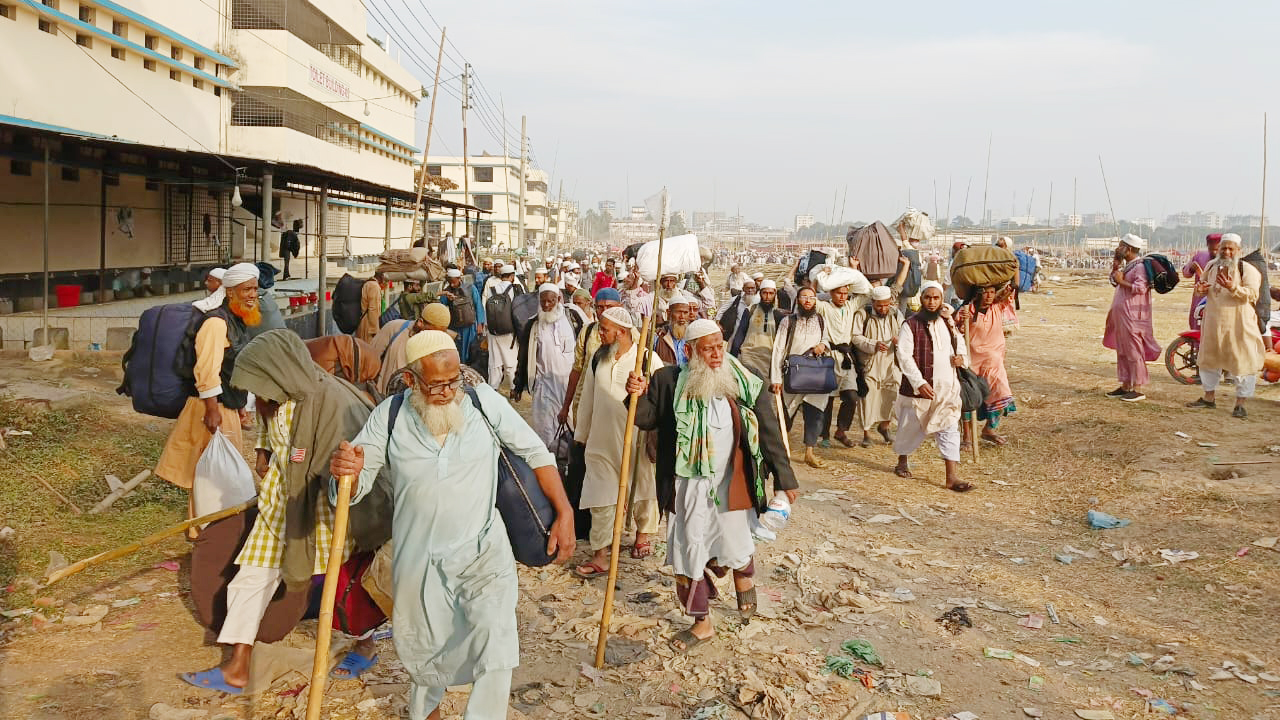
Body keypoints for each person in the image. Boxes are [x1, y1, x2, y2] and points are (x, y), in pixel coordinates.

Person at [330, 331, 574, 720]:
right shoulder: (389, 416)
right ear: (410, 380)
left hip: (483, 553)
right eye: (435, 384)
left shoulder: (482, 403)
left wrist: (564, 512)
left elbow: (535, 452)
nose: (447, 392)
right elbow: (355, 480)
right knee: (426, 652)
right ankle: (427, 713)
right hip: (419, 561)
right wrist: (349, 472)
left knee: (497, 641)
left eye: (452, 381)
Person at [181, 330, 391, 694]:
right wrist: (265, 457)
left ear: (280, 373)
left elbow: (361, 461)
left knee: (347, 582)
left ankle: (364, 644)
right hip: (281, 504)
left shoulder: (332, 402)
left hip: (327, 505)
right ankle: (237, 666)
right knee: (251, 576)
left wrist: (343, 479)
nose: (256, 395)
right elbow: (270, 438)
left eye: (260, 385)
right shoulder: (273, 398)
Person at [626, 318, 797, 653]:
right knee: (689, 550)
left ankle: (744, 585)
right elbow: (645, 418)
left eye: (720, 346)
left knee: (735, 538)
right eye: (708, 349)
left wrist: (784, 476)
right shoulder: (668, 380)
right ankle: (702, 623)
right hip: (687, 487)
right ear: (689, 352)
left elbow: (768, 428)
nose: (717, 354)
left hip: (732, 482)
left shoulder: (744, 379)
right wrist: (634, 393)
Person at [155, 263, 258, 510]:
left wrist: (241, 404)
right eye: (247, 290)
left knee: (216, 475)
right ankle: (204, 532)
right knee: (213, 475)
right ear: (230, 292)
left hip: (227, 406)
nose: (253, 295)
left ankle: (204, 530)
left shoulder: (236, 320)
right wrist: (213, 411)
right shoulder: (216, 323)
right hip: (211, 408)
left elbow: (232, 368)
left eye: (255, 289)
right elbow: (207, 370)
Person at [573, 308, 663, 576]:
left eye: (604, 329)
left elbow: (663, 394)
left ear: (621, 333)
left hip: (636, 437)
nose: (600, 333)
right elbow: (588, 397)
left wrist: (646, 386)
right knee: (600, 495)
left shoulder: (646, 359)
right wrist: (582, 434)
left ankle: (643, 534)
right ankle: (600, 554)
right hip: (601, 440)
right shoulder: (598, 359)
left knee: (642, 486)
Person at [892, 282, 971, 491]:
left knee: (949, 428)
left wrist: (961, 359)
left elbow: (960, 344)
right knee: (910, 426)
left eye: (936, 298)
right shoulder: (910, 325)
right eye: (928, 297)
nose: (932, 302)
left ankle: (951, 476)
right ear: (921, 299)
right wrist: (919, 383)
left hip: (948, 388)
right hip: (921, 389)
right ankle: (902, 460)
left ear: (941, 299)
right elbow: (904, 356)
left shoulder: (948, 323)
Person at [1186, 233, 1266, 418]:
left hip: (1239, 323)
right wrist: (1200, 290)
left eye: (1231, 248)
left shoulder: (1247, 270)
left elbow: (1253, 295)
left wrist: (1233, 287)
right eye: (1224, 248)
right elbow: (1201, 287)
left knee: (1242, 361)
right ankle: (1208, 398)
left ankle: (1240, 403)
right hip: (1214, 322)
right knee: (1208, 360)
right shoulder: (1211, 266)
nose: (1227, 252)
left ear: (1239, 251)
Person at [514, 284, 584, 446]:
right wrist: (519, 385)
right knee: (545, 428)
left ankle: (568, 464)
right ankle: (550, 463)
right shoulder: (533, 325)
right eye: (543, 301)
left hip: (570, 385)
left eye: (550, 301)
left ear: (558, 299)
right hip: (544, 386)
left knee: (571, 426)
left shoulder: (573, 318)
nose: (546, 305)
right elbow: (523, 356)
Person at [771, 287, 830, 468]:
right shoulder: (788, 321)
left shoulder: (820, 320)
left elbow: (827, 339)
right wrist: (776, 378)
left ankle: (809, 453)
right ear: (798, 300)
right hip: (792, 375)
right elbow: (779, 349)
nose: (808, 301)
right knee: (785, 415)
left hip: (815, 375)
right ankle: (780, 451)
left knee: (815, 415)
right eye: (804, 297)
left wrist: (822, 345)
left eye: (811, 298)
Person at [956, 283, 1017, 446]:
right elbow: (957, 329)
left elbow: (1011, 289)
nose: (989, 296)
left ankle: (989, 429)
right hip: (972, 360)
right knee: (968, 398)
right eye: (986, 293)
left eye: (992, 292)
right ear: (978, 294)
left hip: (994, 361)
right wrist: (963, 320)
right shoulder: (968, 310)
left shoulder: (997, 307)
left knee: (1002, 393)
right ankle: (967, 437)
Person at [1102, 234, 1160, 402]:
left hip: (1134, 316)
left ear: (1129, 249)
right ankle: (1126, 384)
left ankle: (1138, 387)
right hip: (1121, 315)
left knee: (1134, 351)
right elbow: (1115, 281)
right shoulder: (1128, 266)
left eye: (1121, 246)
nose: (1117, 249)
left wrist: (1122, 282)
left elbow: (1141, 288)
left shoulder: (1140, 266)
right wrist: (1115, 269)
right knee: (1123, 350)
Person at [850, 285, 904, 447]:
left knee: (893, 395)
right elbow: (855, 337)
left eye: (886, 304)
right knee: (868, 398)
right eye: (879, 305)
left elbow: (905, 332)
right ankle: (866, 433)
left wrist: (898, 340)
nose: (883, 308)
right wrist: (873, 344)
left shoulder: (895, 314)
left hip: (891, 362)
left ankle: (885, 426)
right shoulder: (862, 314)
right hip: (870, 362)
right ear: (873, 302)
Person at [374, 303, 452, 397]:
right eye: (431, 332)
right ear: (420, 323)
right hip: (385, 396)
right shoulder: (394, 328)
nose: (434, 337)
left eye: (439, 334)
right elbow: (370, 360)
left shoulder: (442, 344)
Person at [817, 283, 860, 448]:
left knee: (851, 397)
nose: (842, 297)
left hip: (846, 358)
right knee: (827, 399)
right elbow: (811, 299)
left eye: (845, 293)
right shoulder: (825, 307)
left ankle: (841, 431)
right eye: (839, 293)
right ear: (831, 293)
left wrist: (854, 270)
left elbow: (866, 293)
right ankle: (824, 435)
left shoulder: (851, 305)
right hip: (829, 356)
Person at [483, 264, 523, 391]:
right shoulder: (515, 289)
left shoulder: (492, 289)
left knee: (494, 362)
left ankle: (493, 388)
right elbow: (519, 311)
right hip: (509, 332)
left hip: (493, 331)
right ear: (512, 276)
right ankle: (513, 388)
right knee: (511, 362)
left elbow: (487, 310)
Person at [441, 268, 485, 365]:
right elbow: (441, 307)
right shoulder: (447, 291)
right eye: (449, 282)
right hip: (455, 328)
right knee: (457, 351)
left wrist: (480, 324)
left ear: (459, 278)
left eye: (453, 282)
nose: (452, 284)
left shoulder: (471, 288)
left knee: (471, 350)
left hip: (470, 327)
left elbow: (478, 305)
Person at [1182, 233, 1223, 331]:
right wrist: (1191, 269)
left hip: (1218, 299)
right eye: (1211, 249)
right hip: (1199, 297)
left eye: (1216, 250)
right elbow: (1186, 274)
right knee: (1197, 324)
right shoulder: (1200, 256)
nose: (1213, 252)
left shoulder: (1226, 260)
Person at [654, 294, 695, 368]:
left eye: (685, 313)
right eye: (678, 312)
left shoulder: (693, 337)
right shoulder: (658, 338)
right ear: (668, 313)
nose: (682, 317)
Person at [716, 280, 758, 344]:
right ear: (743, 289)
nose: (750, 290)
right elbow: (721, 310)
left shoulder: (758, 301)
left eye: (752, 288)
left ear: (755, 289)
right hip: (736, 331)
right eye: (748, 288)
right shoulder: (736, 299)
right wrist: (718, 323)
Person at [357, 271, 385, 343]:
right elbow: (373, 309)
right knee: (368, 349)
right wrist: (374, 330)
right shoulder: (374, 286)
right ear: (382, 276)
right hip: (369, 325)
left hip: (365, 321)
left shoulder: (369, 283)